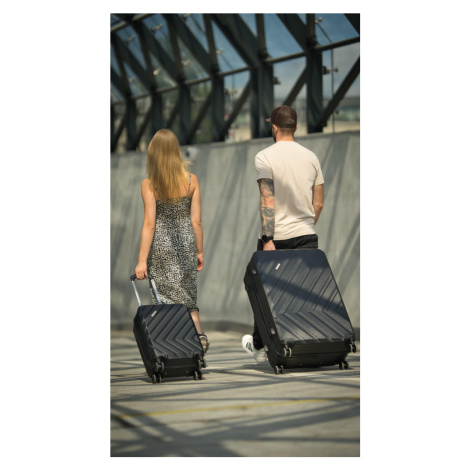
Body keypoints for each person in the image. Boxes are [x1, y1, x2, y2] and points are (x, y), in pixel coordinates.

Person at [242, 105, 325, 361]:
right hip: (306, 236)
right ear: (296, 127)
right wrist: (306, 225)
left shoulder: (264, 157)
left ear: (274, 127)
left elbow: (267, 199)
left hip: (277, 238)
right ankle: (304, 344)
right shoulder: (311, 157)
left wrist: (268, 239)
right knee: (303, 293)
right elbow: (319, 203)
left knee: (261, 290)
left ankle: (259, 344)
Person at [135, 129, 209, 353]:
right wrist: (199, 252)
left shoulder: (149, 184)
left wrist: (142, 261)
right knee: (188, 299)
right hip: (186, 246)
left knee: (164, 300)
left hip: (161, 249)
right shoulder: (191, 180)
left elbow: (149, 224)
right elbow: (196, 221)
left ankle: (173, 349)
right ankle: (199, 337)